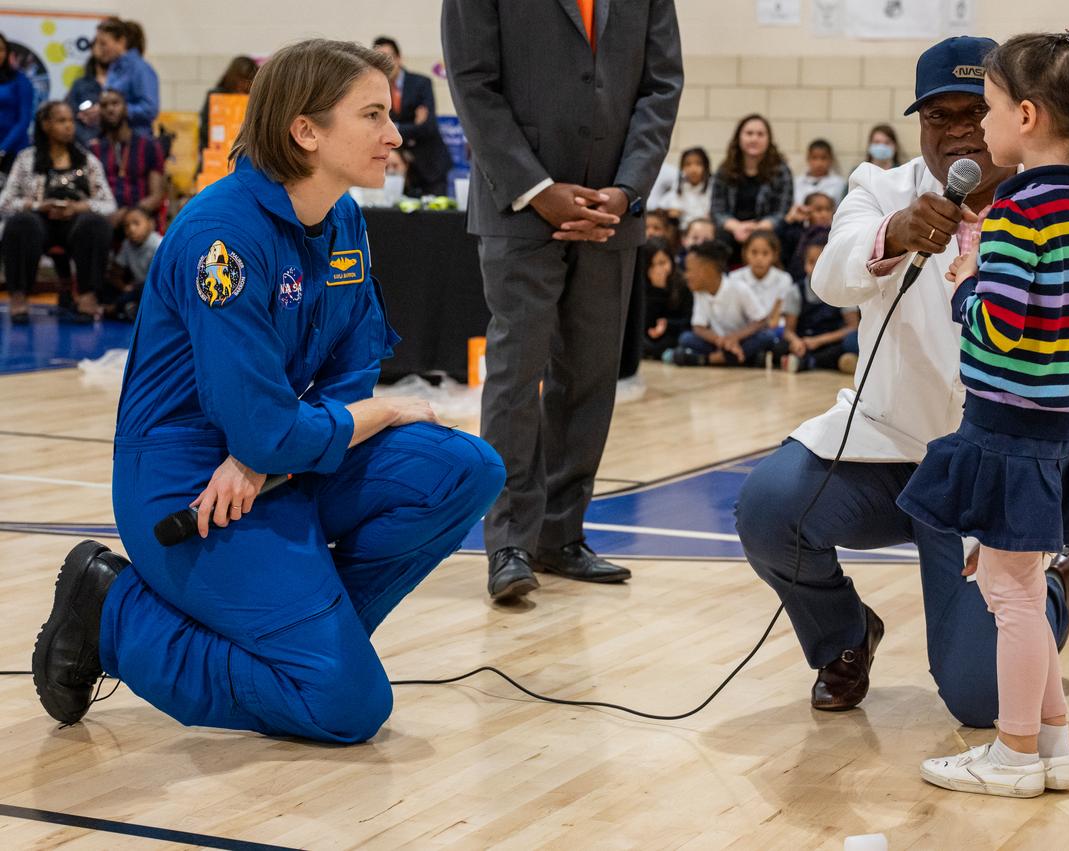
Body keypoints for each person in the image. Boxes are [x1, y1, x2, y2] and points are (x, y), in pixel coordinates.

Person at [31, 39, 505, 744]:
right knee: (348, 709)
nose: (393, 134)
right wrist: (352, 418)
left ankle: (312, 639)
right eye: (372, 115)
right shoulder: (222, 235)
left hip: (277, 460)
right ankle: (114, 611)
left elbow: (352, 356)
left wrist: (274, 450)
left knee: (468, 468)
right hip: (187, 485)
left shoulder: (341, 216)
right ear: (306, 131)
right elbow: (277, 420)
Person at [734, 35, 1069, 734]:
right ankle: (845, 637)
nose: (955, 132)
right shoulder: (881, 190)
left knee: (980, 703)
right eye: (936, 117)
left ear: (1014, 115)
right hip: (888, 451)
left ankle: (1053, 585)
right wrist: (890, 235)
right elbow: (828, 280)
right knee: (770, 508)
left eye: (972, 111)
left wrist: (1046, 510)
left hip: (996, 474)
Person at [903, 29, 1069, 799]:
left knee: (1010, 592)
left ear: (1025, 115)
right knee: (1022, 582)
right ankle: (1053, 741)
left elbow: (999, 326)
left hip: (1008, 426)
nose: (982, 128)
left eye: (989, 108)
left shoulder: (1015, 211)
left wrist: (965, 281)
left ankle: (1016, 752)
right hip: (1057, 424)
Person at [442, 0, 682, 602]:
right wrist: (536, 188)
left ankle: (561, 534)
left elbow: (661, 86)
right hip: (519, 206)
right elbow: (472, 83)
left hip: (611, 211)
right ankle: (510, 543)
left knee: (591, 377)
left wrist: (627, 190)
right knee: (516, 375)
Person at [0, 100, 116, 322]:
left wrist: (79, 207)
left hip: (74, 224)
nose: (69, 126)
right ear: (46, 125)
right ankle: (19, 296)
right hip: (39, 222)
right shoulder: (26, 160)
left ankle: (87, 295)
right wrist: (37, 206)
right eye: (61, 121)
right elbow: (4, 202)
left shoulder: (87, 160)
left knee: (95, 224)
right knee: (21, 223)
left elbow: (109, 204)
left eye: (71, 121)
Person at [669, 240, 774, 367]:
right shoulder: (699, 292)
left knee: (766, 337)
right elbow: (698, 327)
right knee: (686, 338)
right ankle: (739, 359)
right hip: (718, 343)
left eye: (689, 270)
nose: (686, 275)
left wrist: (734, 338)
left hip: (742, 339)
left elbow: (762, 320)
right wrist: (722, 341)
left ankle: (709, 360)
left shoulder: (738, 288)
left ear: (708, 270)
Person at [373, 37, 453, 197]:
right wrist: (414, 126)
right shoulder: (376, 90)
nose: (384, 64)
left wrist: (395, 126)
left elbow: (428, 126)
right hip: (402, 169)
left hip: (431, 165)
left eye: (387, 58)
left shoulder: (421, 83)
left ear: (398, 58)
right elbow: (377, 129)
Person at [710, 114, 792, 258]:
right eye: (749, 133)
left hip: (766, 228)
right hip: (733, 229)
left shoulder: (781, 171)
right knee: (719, 237)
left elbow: (782, 211)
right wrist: (736, 227)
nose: (754, 139)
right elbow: (717, 210)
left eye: (760, 134)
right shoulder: (724, 170)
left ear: (768, 139)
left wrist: (759, 228)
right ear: (739, 137)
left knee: (789, 234)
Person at [779, 237, 860, 373]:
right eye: (811, 262)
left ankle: (808, 362)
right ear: (804, 264)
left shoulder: (842, 288)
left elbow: (853, 327)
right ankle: (833, 362)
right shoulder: (795, 291)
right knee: (780, 345)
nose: (816, 268)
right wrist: (796, 341)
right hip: (805, 342)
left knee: (848, 343)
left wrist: (819, 340)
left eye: (820, 263)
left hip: (831, 341)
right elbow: (788, 331)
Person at [88, 89, 166, 228]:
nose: (110, 109)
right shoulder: (93, 150)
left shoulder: (149, 147)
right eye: (104, 105)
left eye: (115, 103)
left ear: (125, 108)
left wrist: (127, 214)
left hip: (140, 219)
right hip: (103, 221)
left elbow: (157, 195)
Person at [95, 18, 158, 138]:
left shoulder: (140, 69)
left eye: (103, 44)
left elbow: (150, 109)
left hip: (136, 141)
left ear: (121, 42)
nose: (99, 49)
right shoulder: (114, 69)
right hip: (113, 139)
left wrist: (118, 111)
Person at [640, 236, 692, 359]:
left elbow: (688, 320)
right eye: (652, 265)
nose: (659, 269)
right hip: (647, 336)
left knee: (685, 339)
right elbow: (642, 321)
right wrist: (657, 290)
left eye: (663, 263)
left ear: (671, 260)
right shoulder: (641, 284)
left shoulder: (682, 284)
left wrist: (667, 324)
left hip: (673, 333)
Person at [727, 229, 791, 327]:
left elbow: (778, 316)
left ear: (774, 255)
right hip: (742, 330)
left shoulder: (784, 279)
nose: (759, 259)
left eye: (765, 253)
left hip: (771, 330)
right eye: (754, 252)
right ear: (745, 253)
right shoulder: (734, 277)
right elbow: (733, 315)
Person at [108, 205, 161, 320]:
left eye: (136, 223)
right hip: (138, 287)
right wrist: (123, 287)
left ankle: (127, 308)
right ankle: (132, 308)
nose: (131, 229)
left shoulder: (158, 244)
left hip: (155, 288)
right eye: (126, 226)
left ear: (151, 224)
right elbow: (115, 272)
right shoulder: (127, 244)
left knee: (140, 293)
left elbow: (160, 279)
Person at [198, 56, 257, 154]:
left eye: (248, 82)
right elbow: (205, 129)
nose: (244, 86)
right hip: (217, 154)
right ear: (233, 79)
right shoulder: (216, 98)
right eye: (242, 81)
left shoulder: (255, 99)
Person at [0, 32, 34, 175]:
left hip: (14, 150)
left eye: (1, 49)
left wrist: (3, 149)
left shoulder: (20, 80)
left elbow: (24, 120)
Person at [654, 146, 712, 227]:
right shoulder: (679, 186)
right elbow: (660, 208)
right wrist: (669, 211)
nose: (693, 169)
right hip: (681, 230)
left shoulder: (712, 188)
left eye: (698, 164)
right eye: (688, 164)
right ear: (682, 168)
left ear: (706, 167)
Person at [68, 45, 108, 145]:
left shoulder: (122, 85)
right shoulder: (81, 84)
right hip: (85, 141)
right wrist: (88, 139)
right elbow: (70, 115)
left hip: (113, 142)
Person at [792, 138, 845, 205]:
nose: (819, 163)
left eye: (824, 158)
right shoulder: (797, 182)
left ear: (831, 159)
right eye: (814, 158)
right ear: (808, 158)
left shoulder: (839, 183)